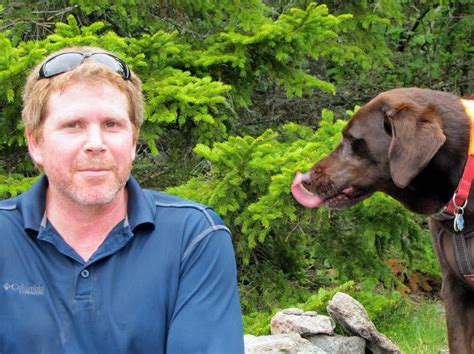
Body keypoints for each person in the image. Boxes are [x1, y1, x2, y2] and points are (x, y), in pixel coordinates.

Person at [0, 46, 244, 353]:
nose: (95, 144)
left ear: (133, 140)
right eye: (73, 125)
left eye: (111, 125)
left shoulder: (193, 238)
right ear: (35, 143)